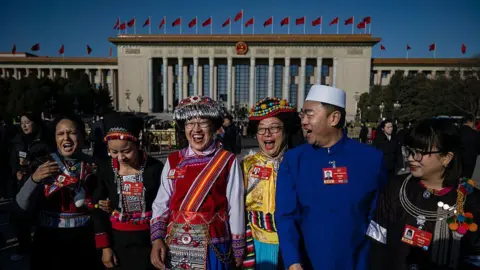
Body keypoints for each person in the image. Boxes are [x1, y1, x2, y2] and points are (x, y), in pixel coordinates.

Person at [275, 85, 388, 270]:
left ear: (333, 118)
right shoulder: (294, 160)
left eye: (309, 115)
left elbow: (379, 215)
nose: (303, 121)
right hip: (307, 262)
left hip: (357, 261)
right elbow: (286, 215)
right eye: (303, 115)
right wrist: (293, 260)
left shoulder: (371, 159)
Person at [368, 118, 480, 270]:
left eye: (419, 153)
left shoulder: (470, 200)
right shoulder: (395, 188)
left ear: (446, 158)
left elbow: (474, 257)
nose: (410, 158)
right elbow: (376, 244)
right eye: (410, 151)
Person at [150, 96, 245, 270]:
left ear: (214, 127)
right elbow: (161, 203)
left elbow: (236, 206)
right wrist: (157, 238)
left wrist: (238, 247)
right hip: (176, 245)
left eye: (203, 122)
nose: (196, 129)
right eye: (190, 123)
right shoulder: (173, 160)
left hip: (214, 245)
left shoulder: (227, 161)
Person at [15, 114, 104, 270]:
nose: (66, 138)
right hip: (49, 241)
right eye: (60, 134)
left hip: (84, 240)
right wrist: (34, 179)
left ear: (83, 136)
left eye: (72, 133)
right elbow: (21, 204)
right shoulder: (42, 163)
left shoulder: (95, 166)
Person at [93, 113, 164, 270]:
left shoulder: (155, 168)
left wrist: (160, 240)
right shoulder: (105, 169)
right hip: (118, 242)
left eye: (126, 151)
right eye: (114, 152)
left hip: (149, 240)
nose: (120, 157)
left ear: (137, 144)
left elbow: (165, 206)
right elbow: (97, 210)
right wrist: (105, 247)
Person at [242, 97, 297, 269]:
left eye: (274, 128)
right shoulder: (247, 164)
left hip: (293, 241)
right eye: (261, 129)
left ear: (286, 131)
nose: (267, 134)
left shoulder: (297, 163)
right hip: (257, 241)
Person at [9, 112, 52, 261]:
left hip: (41, 183)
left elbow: (50, 160)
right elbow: (13, 160)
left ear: (35, 122)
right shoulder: (18, 140)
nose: (24, 125)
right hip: (22, 184)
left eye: (27, 122)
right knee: (20, 215)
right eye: (22, 123)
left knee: (39, 215)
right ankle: (23, 246)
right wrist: (16, 172)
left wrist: (32, 164)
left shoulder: (45, 140)